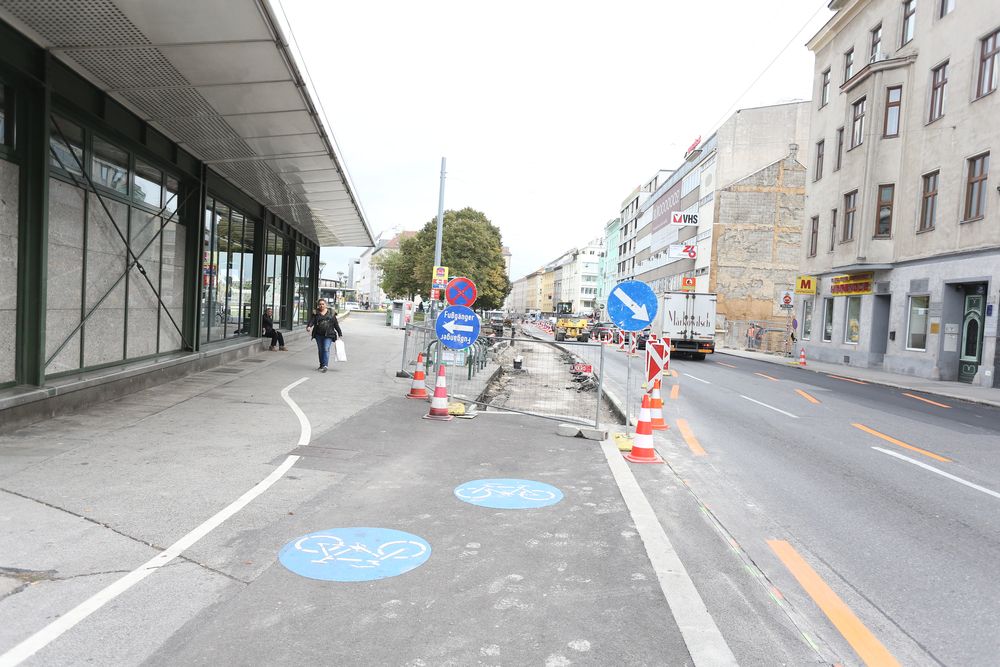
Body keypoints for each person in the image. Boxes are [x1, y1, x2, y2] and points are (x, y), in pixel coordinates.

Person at [306, 299, 343, 372]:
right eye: (320, 304)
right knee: (320, 350)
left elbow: (336, 324)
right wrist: (309, 326)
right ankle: (321, 364)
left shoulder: (331, 313)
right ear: (318, 305)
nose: (321, 305)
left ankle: (325, 365)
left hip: (329, 334)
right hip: (318, 335)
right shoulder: (316, 313)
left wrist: (340, 333)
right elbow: (312, 321)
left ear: (326, 305)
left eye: (323, 304)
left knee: (326, 348)